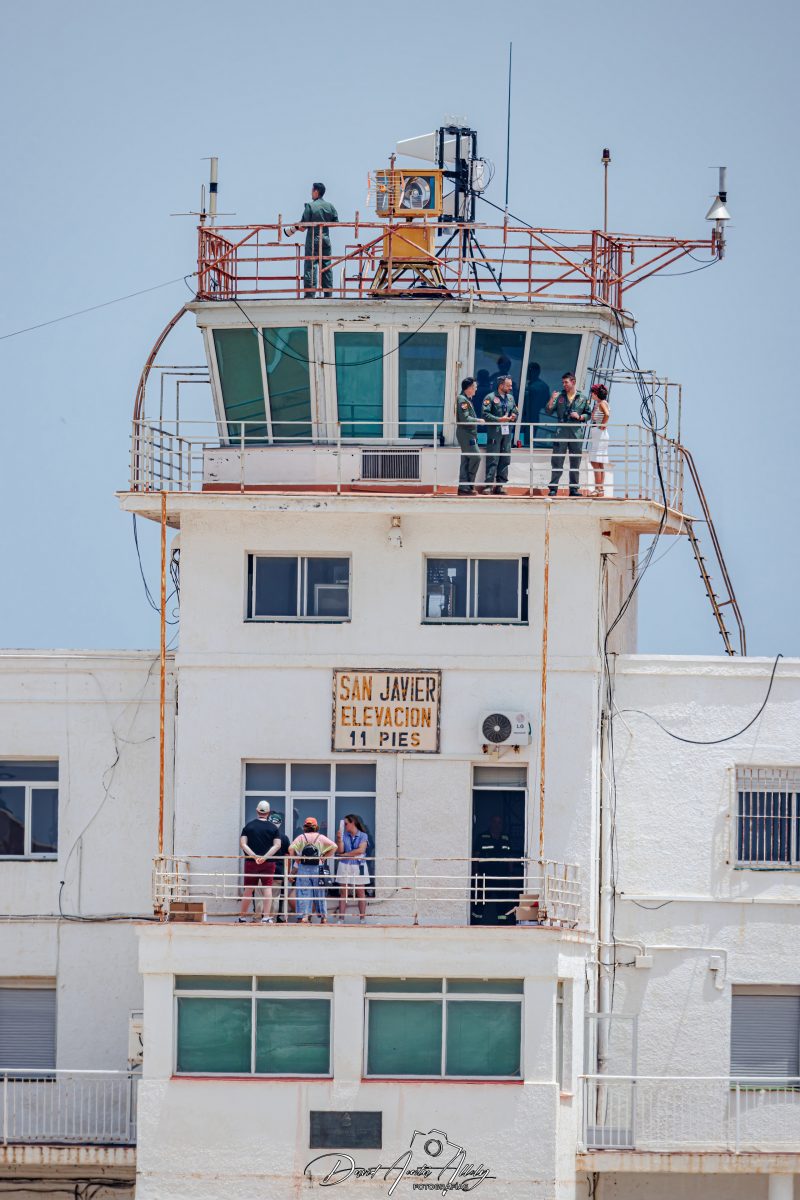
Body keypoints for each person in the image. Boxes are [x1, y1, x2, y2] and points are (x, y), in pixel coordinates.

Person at [286, 182, 338, 298]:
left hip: (313, 239)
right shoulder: (330, 206)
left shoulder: (310, 206)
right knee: (327, 265)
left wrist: (295, 227)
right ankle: (328, 294)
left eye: (312, 191)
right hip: (325, 238)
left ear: (316, 191)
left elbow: (303, 226)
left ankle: (310, 293)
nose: (311, 193)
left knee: (311, 265)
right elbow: (335, 223)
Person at [547, 371, 591, 497]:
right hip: (561, 431)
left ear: (573, 382)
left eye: (566, 382)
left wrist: (580, 416)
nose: (564, 385)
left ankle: (574, 489)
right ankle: (553, 488)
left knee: (575, 461)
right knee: (557, 460)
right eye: (563, 382)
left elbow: (588, 414)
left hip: (576, 432)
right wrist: (552, 399)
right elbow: (549, 411)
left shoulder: (582, 398)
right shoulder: (560, 396)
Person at [238, 801, 282, 923]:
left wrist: (253, 856)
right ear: (268, 812)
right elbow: (277, 845)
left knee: (249, 889)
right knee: (267, 888)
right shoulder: (273, 828)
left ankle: (242, 917)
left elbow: (243, 844)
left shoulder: (249, 826)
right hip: (268, 863)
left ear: (257, 811)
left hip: (251, 862)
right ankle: (266, 917)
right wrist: (265, 857)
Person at [288, 817, 336, 924]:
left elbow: (291, 848)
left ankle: (304, 917)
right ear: (316, 827)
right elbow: (334, 846)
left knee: (304, 892)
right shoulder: (320, 837)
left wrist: (296, 859)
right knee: (320, 892)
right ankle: (323, 917)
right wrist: (324, 857)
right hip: (318, 868)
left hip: (304, 867)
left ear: (305, 827)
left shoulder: (301, 837)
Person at [481, 375, 518, 495]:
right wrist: (499, 419)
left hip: (507, 433)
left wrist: (513, 416)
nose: (511, 387)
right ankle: (488, 485)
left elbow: (515, 410)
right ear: (501, 385)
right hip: (495, 432)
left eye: (511, 385)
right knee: (493, 458)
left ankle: (500, 485)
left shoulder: (511, 398)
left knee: (505, 458)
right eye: (508, 385)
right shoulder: (490, 398)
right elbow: (485, 414)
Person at [335, 814, 370, 923]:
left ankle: (362, 918)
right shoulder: (344, 836)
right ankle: (341, 918)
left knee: (360, 891)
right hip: (345, 865)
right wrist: (339, 839)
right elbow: (340, 851)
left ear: (353, 822)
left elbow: (361, 850)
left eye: (346, 824)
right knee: (343, 892)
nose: (345, 826)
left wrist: (346, 855)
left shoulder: (363, 835)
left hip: (359, 865)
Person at [455, 377, 481, 495]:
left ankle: (464, 488)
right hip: (466, 434)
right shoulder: (462, 399)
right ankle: (468, 485)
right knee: (476, 457)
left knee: (466, 460)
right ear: (469, 388)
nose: (476, 389)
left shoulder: (466, 399)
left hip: (469, 434)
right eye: (474, 387)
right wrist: (478, 420)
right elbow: (465, 418)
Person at [587, 384, 610, 496]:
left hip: (600, 434)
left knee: (595, 461)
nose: (591, 394)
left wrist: (603, 424)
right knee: (599, 462)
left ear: (596, 394)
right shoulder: (599, 404)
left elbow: (607, 414)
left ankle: (598, 488)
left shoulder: (602, 403)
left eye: (592, 392)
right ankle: (600, 489)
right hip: (598, 434)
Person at [522, 362, 552, 447]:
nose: (527, 373)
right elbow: (544, 403)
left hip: (530, 417)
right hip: (529, 417)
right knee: (526, 440)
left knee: (526, 440)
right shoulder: (543, 386)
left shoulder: (538, 386)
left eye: (528, 371)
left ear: (534, 372)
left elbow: (545, 404)